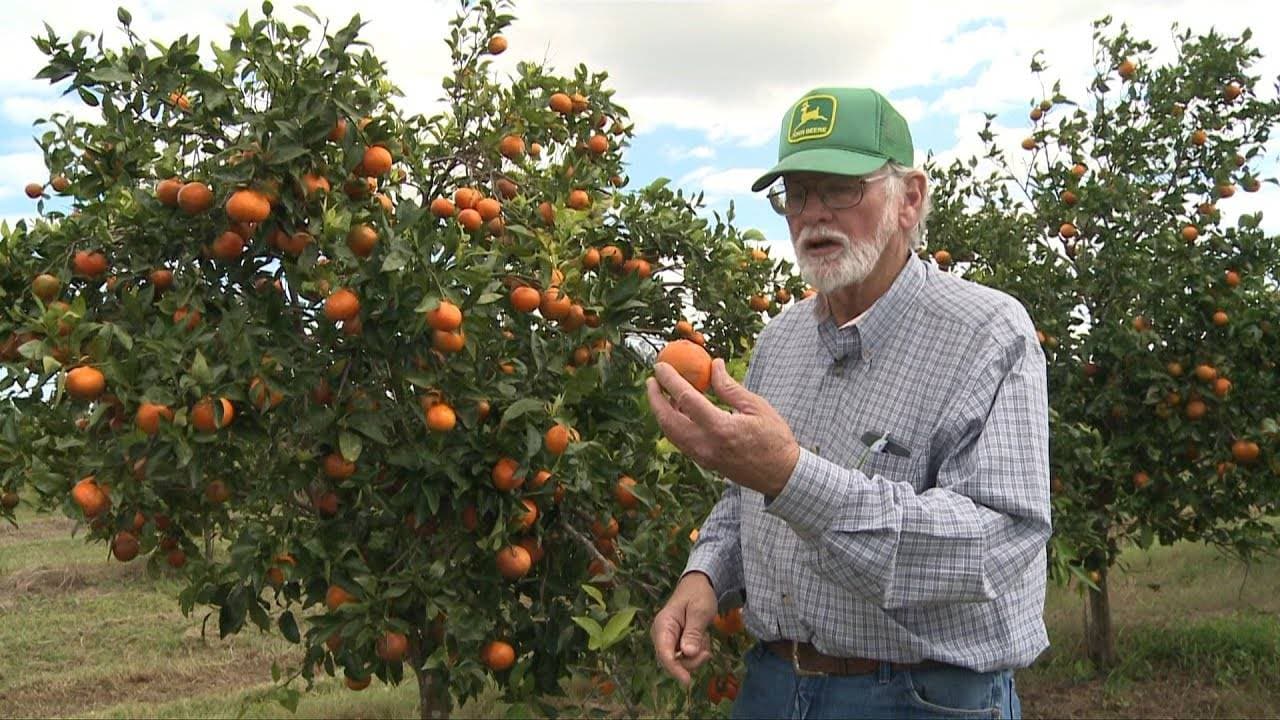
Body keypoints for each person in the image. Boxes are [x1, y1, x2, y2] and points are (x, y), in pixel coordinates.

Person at [646, 87, 1050, 719]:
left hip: (921, 698)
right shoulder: (780, 339)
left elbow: (995, 546)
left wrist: (791, 477)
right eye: (797, 192)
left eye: (840, 189)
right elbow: (748, 497)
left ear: (909, 199)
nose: (813, 214)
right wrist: (706, 576)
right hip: (773, 684)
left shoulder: (988, 333)